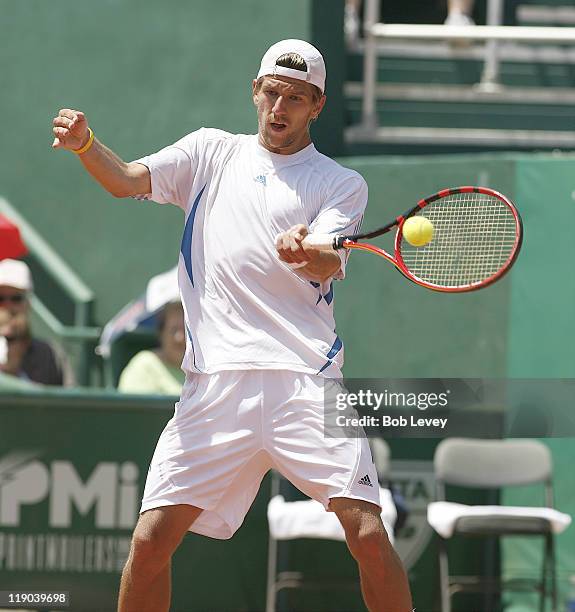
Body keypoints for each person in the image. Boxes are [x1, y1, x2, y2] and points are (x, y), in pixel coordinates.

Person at [52, 39, 413, 612]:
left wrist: (306, 251)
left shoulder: (340, 184)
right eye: (272, 93)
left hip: (305, 381)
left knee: (367, 533)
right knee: (149, 543)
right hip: (215, 385)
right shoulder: (208, 153)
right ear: (255, 91)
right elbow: (123, 180)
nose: (280, 108)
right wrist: (85, 146)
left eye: (296, 98)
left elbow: (326, 260)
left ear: (317, 105)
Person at [0, 258, 72, 386]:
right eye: (0, 298)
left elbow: (71, 401)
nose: (8, 306)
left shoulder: (50, 355)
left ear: (28, 304)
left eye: (16, 298)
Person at [118, 300, 185, 395]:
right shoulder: (144, 365)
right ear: (161, 334)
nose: (179, 338)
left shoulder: (207, 370)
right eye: (173, 330)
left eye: (186, 331)